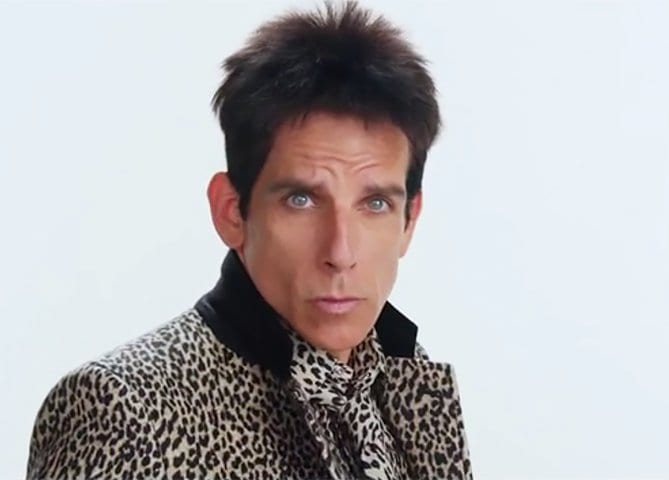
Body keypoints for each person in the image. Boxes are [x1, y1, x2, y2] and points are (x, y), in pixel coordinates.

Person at [26, 2, 472, 479]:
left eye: (375, 203)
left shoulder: (406, 385)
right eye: (301, 200)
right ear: (231, 212)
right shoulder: (124, 410)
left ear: (409, 220)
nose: (340, 253)